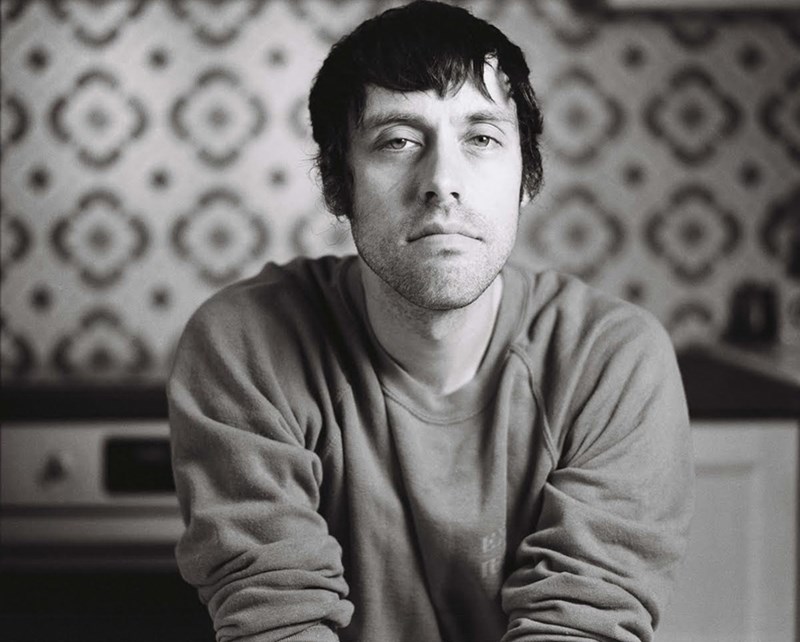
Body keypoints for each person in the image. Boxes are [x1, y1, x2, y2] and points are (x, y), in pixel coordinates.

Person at [167, 2, 694, 641]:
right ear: (337, 185)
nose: (443, 181)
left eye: (482, 138)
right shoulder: (244, 342)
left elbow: (582, 622)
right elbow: (276, 619)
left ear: (527, 177)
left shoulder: (610, 359)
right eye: (398, 141)